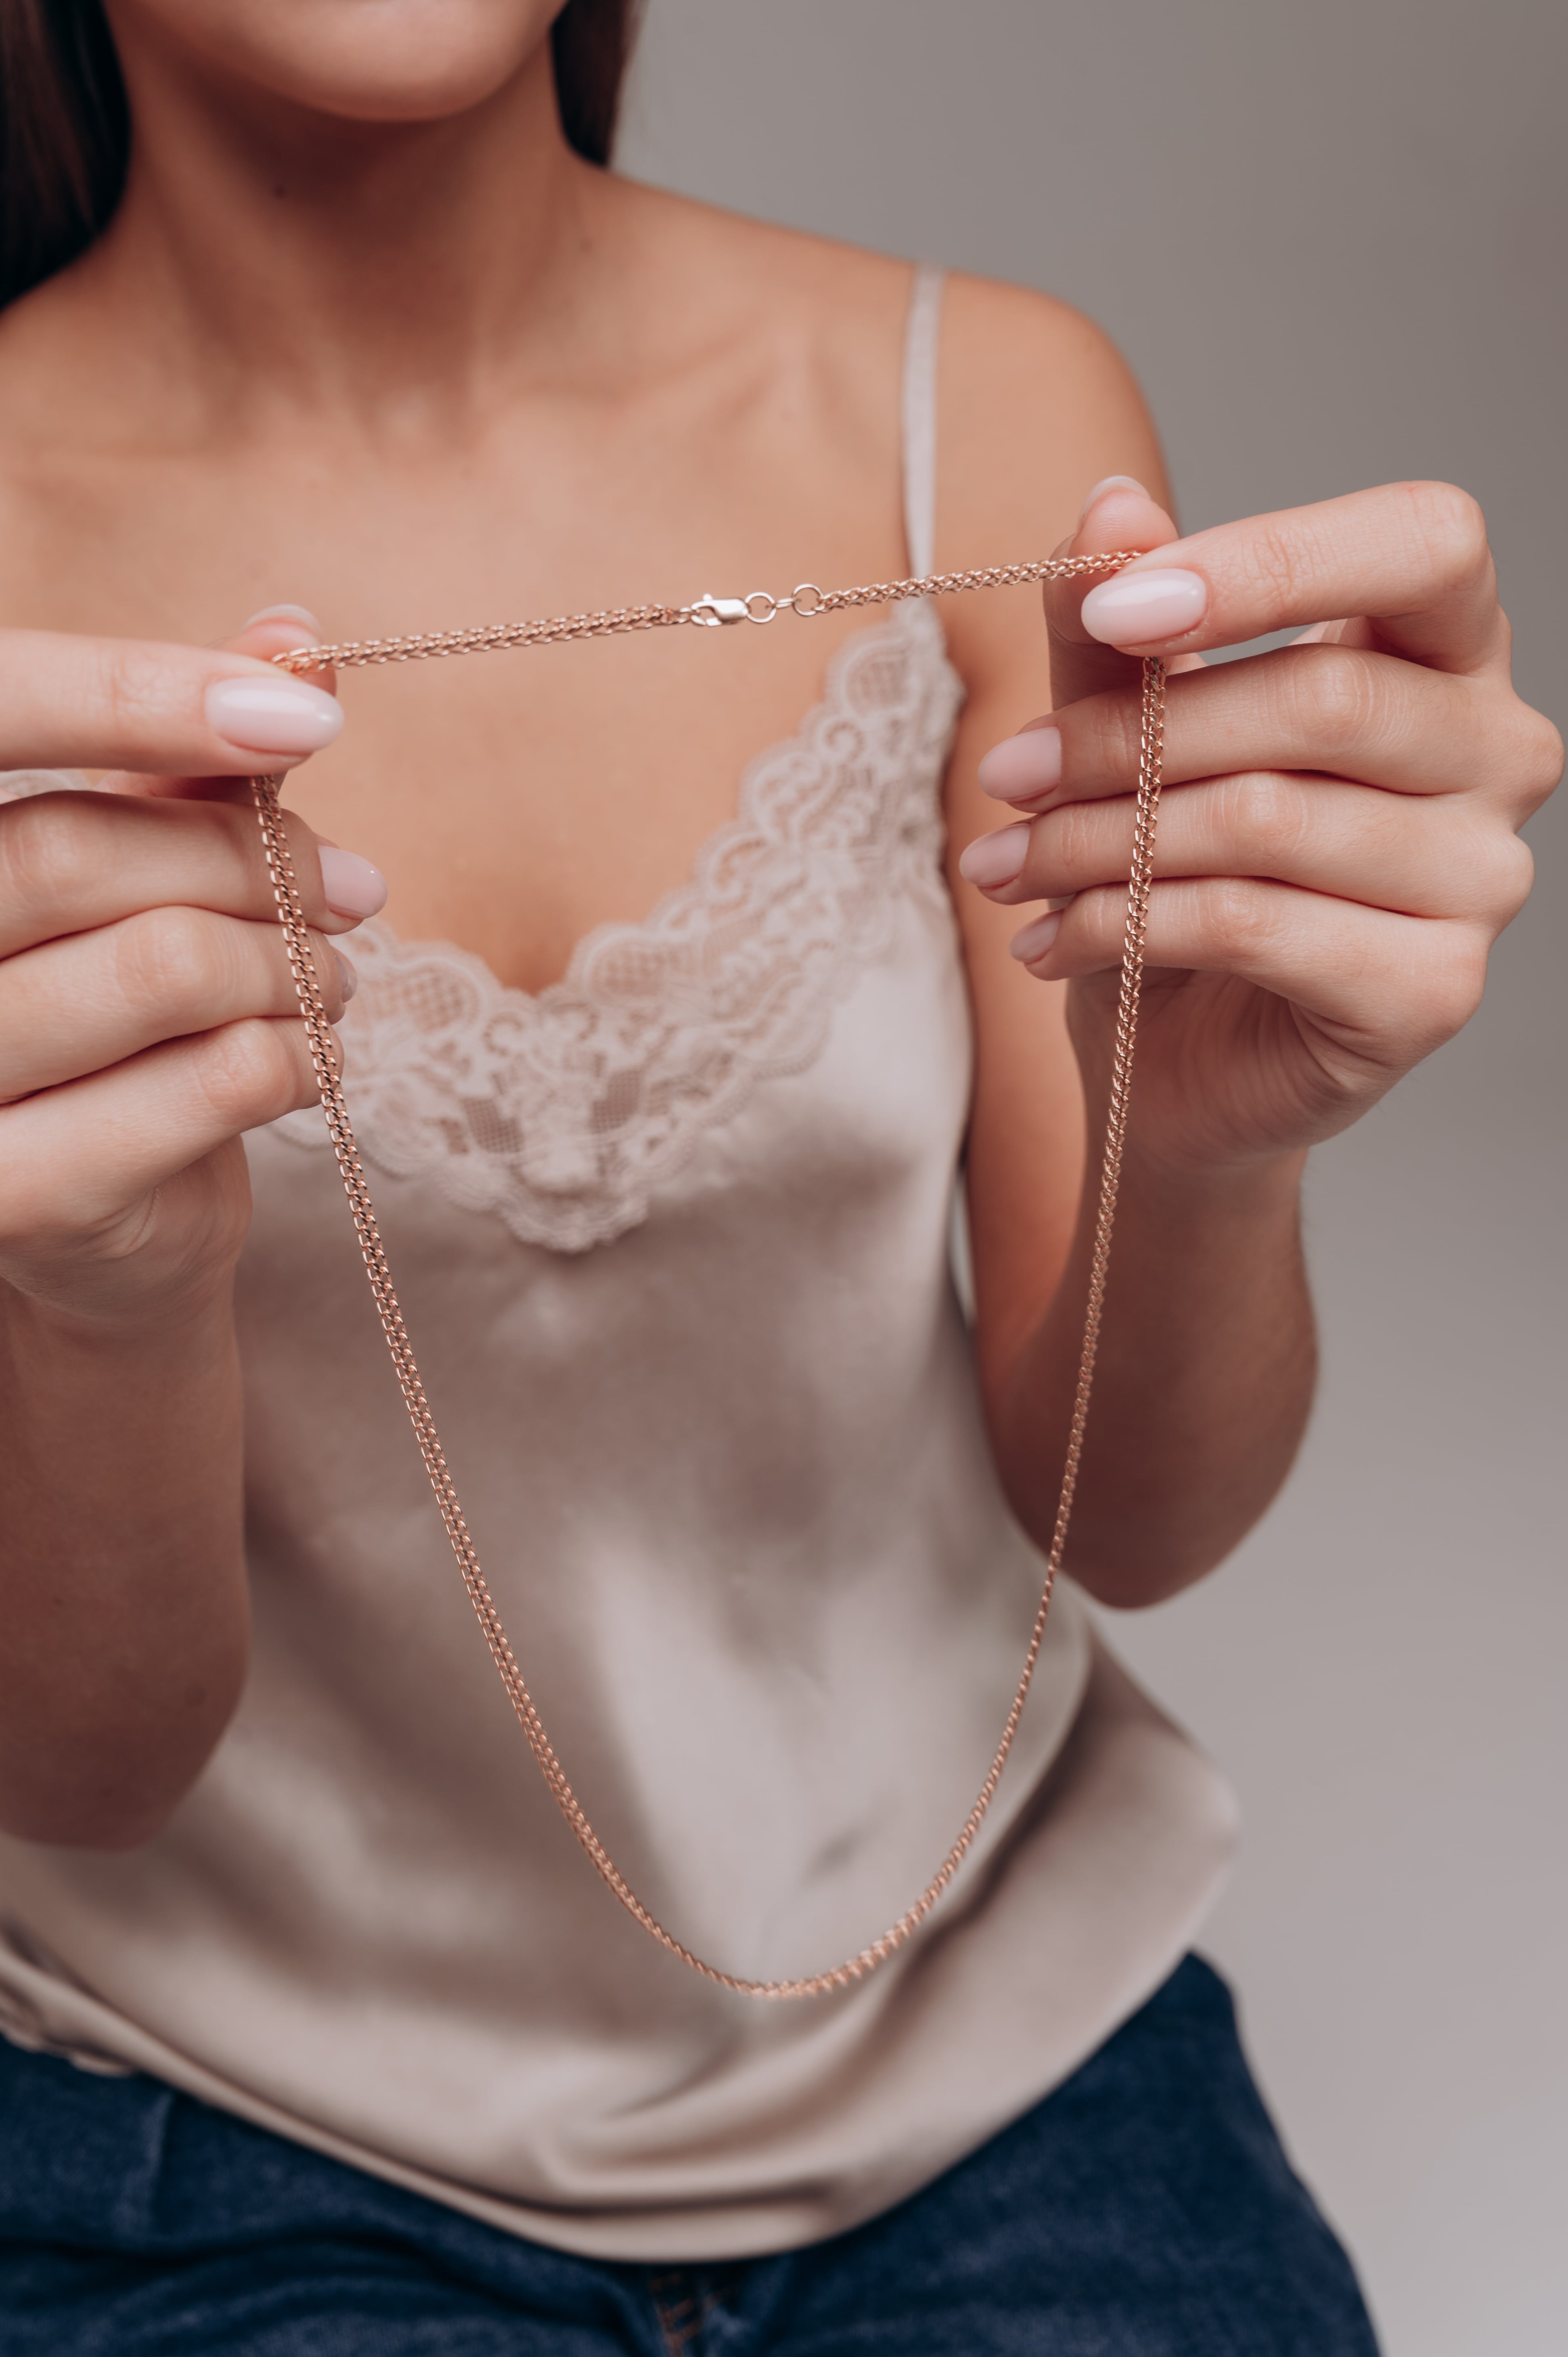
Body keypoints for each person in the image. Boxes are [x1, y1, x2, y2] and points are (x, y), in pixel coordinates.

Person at [0, 1, 1557, 2349]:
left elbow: (1128, 1517)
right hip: (201, 2142)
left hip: (998, 2067)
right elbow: (79, 1766)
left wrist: (1210, 1155)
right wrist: (101, 1298)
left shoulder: (980, 421)